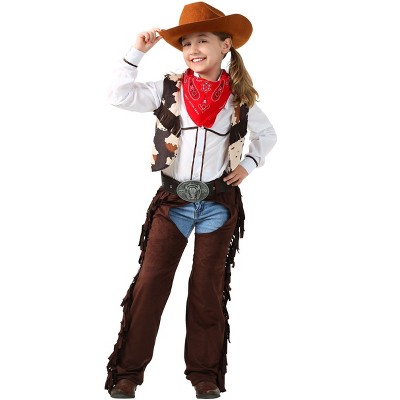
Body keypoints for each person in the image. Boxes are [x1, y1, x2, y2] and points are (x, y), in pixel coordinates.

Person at [105, 2, 277, 399]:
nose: (193, 49)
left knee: (207, 289)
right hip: (174, 202)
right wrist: (137, 52)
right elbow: (117, 94)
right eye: (186, 43)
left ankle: (204, 375)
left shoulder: (238, 98)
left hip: (218, 202)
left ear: (224, 46)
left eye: (202, 41)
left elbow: (267, 135)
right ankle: (127, 373)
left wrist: (248, 165)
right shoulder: (168, 89)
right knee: (150, 285)